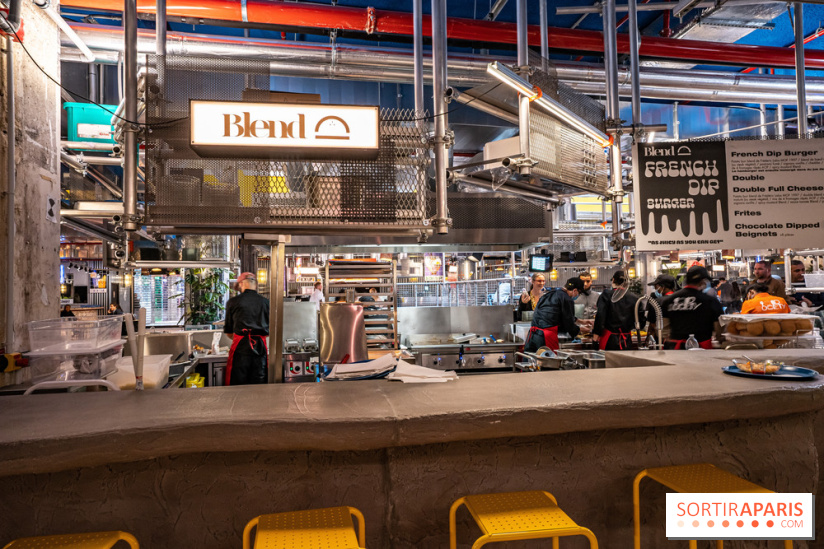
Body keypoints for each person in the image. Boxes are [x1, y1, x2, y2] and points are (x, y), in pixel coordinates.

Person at [223, 272, 270, 385]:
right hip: (260, 347)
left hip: (240, 347)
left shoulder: (233, 302)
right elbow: (270, 329)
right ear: (256, 284)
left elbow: (228, 331)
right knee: (259, 382)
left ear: (241, 283)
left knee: (237, 383)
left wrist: (242, 338)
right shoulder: (265, 302)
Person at [661, 266, 723, 349]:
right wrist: (720, 339)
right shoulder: (710, 301)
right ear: (703, 282)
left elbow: (664, 328)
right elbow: (718, 328)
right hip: (702, 349)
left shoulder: (669, 300)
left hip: (675, 349)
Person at [524, 277, 583, 352]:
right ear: (575, 290)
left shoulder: (550, 294)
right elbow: (568, 323)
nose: (578, 295)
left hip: (532, 334)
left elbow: (555, 314)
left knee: (531, 358)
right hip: (546, 337)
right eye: (579, 293)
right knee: (548, 359)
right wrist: (581, 329)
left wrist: (580, 321)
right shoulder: (567, 299)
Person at [592, 271, 641, 350]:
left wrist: (596, 336)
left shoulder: (606, 295)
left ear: (613, 280)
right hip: (627, 339)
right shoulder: (635, 298)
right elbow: (640, 320)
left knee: (608, 358)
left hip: (609, 339)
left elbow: (600, 316)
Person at [646, 274, 677, 343]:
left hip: (662, 341)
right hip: (679, 341)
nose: (655, 289)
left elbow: (652, 325)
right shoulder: (680, 300)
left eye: (656, 287)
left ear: (663, 287)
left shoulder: (656, 302)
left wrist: (647, 340)